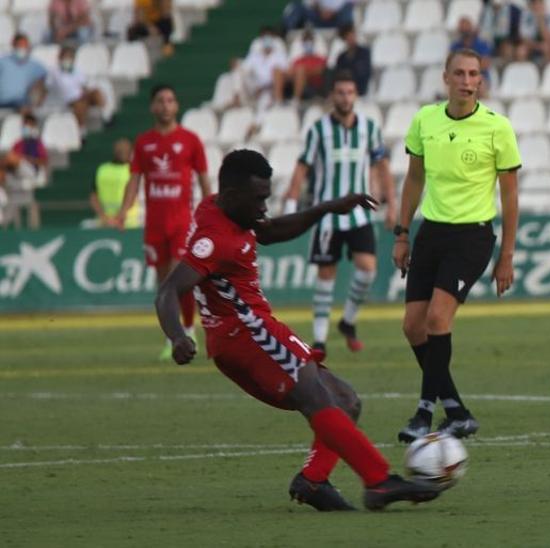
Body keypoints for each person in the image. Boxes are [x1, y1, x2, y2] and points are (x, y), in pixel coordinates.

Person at [155, 149, 441, 512]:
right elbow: (167, 291)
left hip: (256, 329)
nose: (264, 206)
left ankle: (314, 480)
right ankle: (379, 481)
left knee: (346, 401)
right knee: (317, 398)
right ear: (231, 196)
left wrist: (327, 207)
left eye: (266, 197)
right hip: (245, 335)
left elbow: (271, 231)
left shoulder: (223, 206)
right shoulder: (214, 239)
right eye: (259, 199)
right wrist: (178, 336)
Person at [393, 49, 521, 442]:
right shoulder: (425, 121)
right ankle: (457, 411)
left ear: (480, 81)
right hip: (431, 231)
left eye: (474, 74)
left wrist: (506, 257)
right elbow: (414, 179)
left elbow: (510, 196)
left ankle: (423, 413)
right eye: (460, 73)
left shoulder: (497, 128)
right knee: (412, 327)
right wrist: (402, 232)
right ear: (445, 77)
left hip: (472, 236)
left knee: (436, 320)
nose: (467, 81)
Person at [284, 71, 397, 362]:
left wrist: (392, 205)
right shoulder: (318, 129)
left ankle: (348, 320)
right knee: (326, 275)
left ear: (355, 95)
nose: (345, 97)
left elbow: (382, 166)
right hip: (327, 214)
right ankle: (320, 339)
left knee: (368, 269)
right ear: (332, 96)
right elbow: (302, 167)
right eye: (340, 92)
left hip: (359, 214)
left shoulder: (369, 128)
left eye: (350, 92)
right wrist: (289, 207)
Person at [116, 84, 213, 360]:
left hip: (182, 221)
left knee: (178, 277)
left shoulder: (191, 140)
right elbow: (134, 180)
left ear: (177, 106)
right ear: (153, 107)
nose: (166, 105)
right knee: (162, 282)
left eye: (170, 100)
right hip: (155, 224)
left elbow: (204, 178)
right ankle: (172, 336)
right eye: (161, 101)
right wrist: (124, 211)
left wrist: (210, 212)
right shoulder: (144, 142)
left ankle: (188, 330)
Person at [0, 114, 47, 229]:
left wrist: (26, 159)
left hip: (31, 171)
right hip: (16, 173)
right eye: (24, 125)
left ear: (34, 126)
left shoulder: (38, 143)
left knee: (11, 158)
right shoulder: (18, 143)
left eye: (29, 125)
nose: (26, 127)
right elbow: (9, 160)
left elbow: (43, 161)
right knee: (6, 160)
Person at [46, 45, 108, 129]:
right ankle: (81, 129)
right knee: (80, 103)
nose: (68, 60)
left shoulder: (77, 70)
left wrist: (86, 93)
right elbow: (50, 87)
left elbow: (84, 85)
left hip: (80, 96)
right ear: (60, 58)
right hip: (67, 99)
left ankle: (106, 116)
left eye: (70, 57)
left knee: (96, 92)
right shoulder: (54, 72)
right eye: (66, 57)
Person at [90, 138, 141, 229]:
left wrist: (107, 217)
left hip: (128, 223)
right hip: (109, 223)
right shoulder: (102, 170)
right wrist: (104, 216)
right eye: (120, 150)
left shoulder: (134, 170)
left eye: (124, 150)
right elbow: (94, 197)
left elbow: (132, 194)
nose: (122, 152)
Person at [242, 28, 289, 109]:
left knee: (265, 102)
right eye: (264, 37)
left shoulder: (280, 55)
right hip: (254, 87)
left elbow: (284, 75)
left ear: (273, 39)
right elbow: (244, 71)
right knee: (235, 75)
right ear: (261, 40)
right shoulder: (254, 56)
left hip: (269, 89)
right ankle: (238, 99)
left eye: (269, 37)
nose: (267, 40)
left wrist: (263, 88)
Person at [0, 35, 48, 111]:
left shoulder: (35, 66)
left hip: (22, 103)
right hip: (2, 102)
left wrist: (37, 97)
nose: (22, 49)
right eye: (20, 46)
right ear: (14, 46)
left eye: (25, 46)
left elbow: (43, 83)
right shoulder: (3, 62)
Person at [283, 31, 328, 103]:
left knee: (300, 70)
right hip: (296, 82)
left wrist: (304, 72)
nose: (308, 43)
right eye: (306, 41)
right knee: (279, 71)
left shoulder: (319, 58)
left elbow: (321, 70)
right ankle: (278, 101)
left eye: (310, 41)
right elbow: (290, 71)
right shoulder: (298, 59)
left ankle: (296, 100)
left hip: (314, 84)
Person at [330, 25, 372, 97]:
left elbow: (365, 73)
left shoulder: (364, 53)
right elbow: (338, 75)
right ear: (344, 39)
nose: (352, 38)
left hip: (360, 88)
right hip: (345, 88)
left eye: (353, 35)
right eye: (348, 37)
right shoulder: (341, 57)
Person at [283, 0, 355, 31]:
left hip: (337, 17)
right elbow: (308, 3)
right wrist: (319, 9)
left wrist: (333, 12)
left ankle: (346, 32)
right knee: (297, 7)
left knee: (348, 8)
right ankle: (288, 32)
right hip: (319, 16)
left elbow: (351, 3)